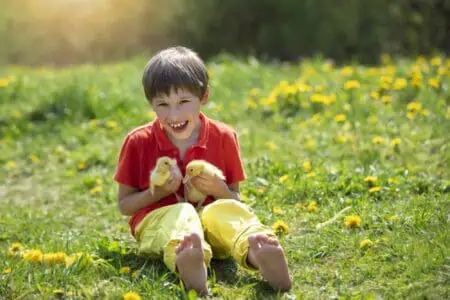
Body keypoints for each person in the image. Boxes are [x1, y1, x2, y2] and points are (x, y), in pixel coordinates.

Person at [114, 46, 292, 295]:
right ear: (151, 104)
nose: (174, 114)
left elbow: (234, 200)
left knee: (223, 211)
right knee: (183, 214)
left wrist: (219, 189)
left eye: (184, 102)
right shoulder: (138, 141)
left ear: (204, 96)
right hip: (159, 222)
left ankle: (256, 249)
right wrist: (158, 193)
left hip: (212, 225)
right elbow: (125, 205)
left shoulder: (224, 137)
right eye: (163, 104)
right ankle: (187, 257)